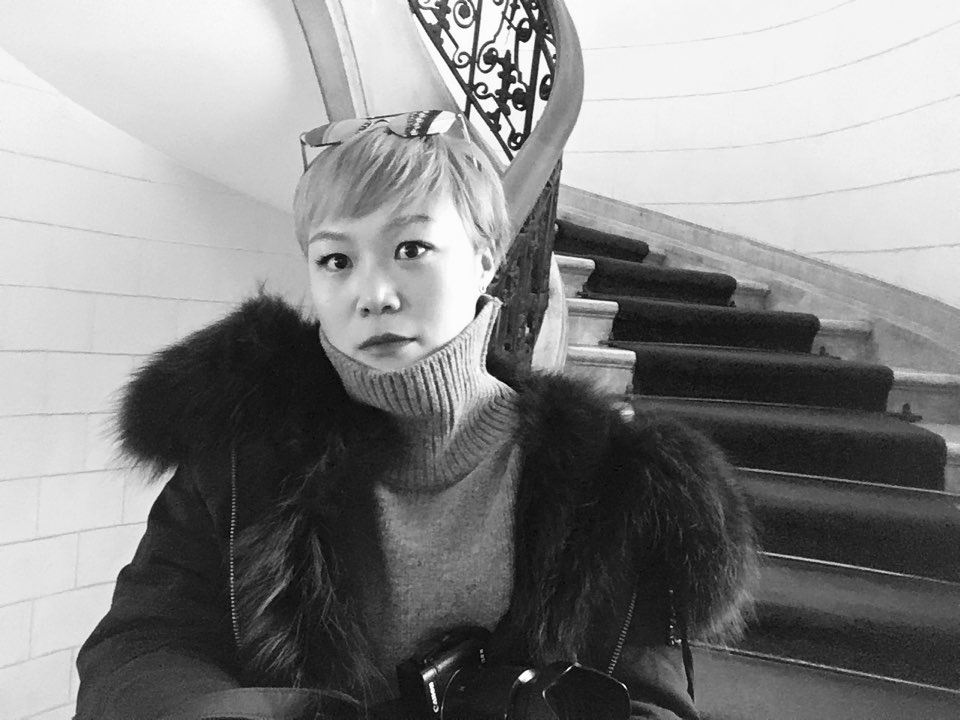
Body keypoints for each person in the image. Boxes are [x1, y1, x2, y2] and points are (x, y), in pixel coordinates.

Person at [75, 110, 757, 720]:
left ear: (486, 258)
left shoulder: (612, 477)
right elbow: (143, 645)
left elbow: (649, 697)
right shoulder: (242, 450)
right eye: (336, 259)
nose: (372, 292)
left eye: (411, 249)